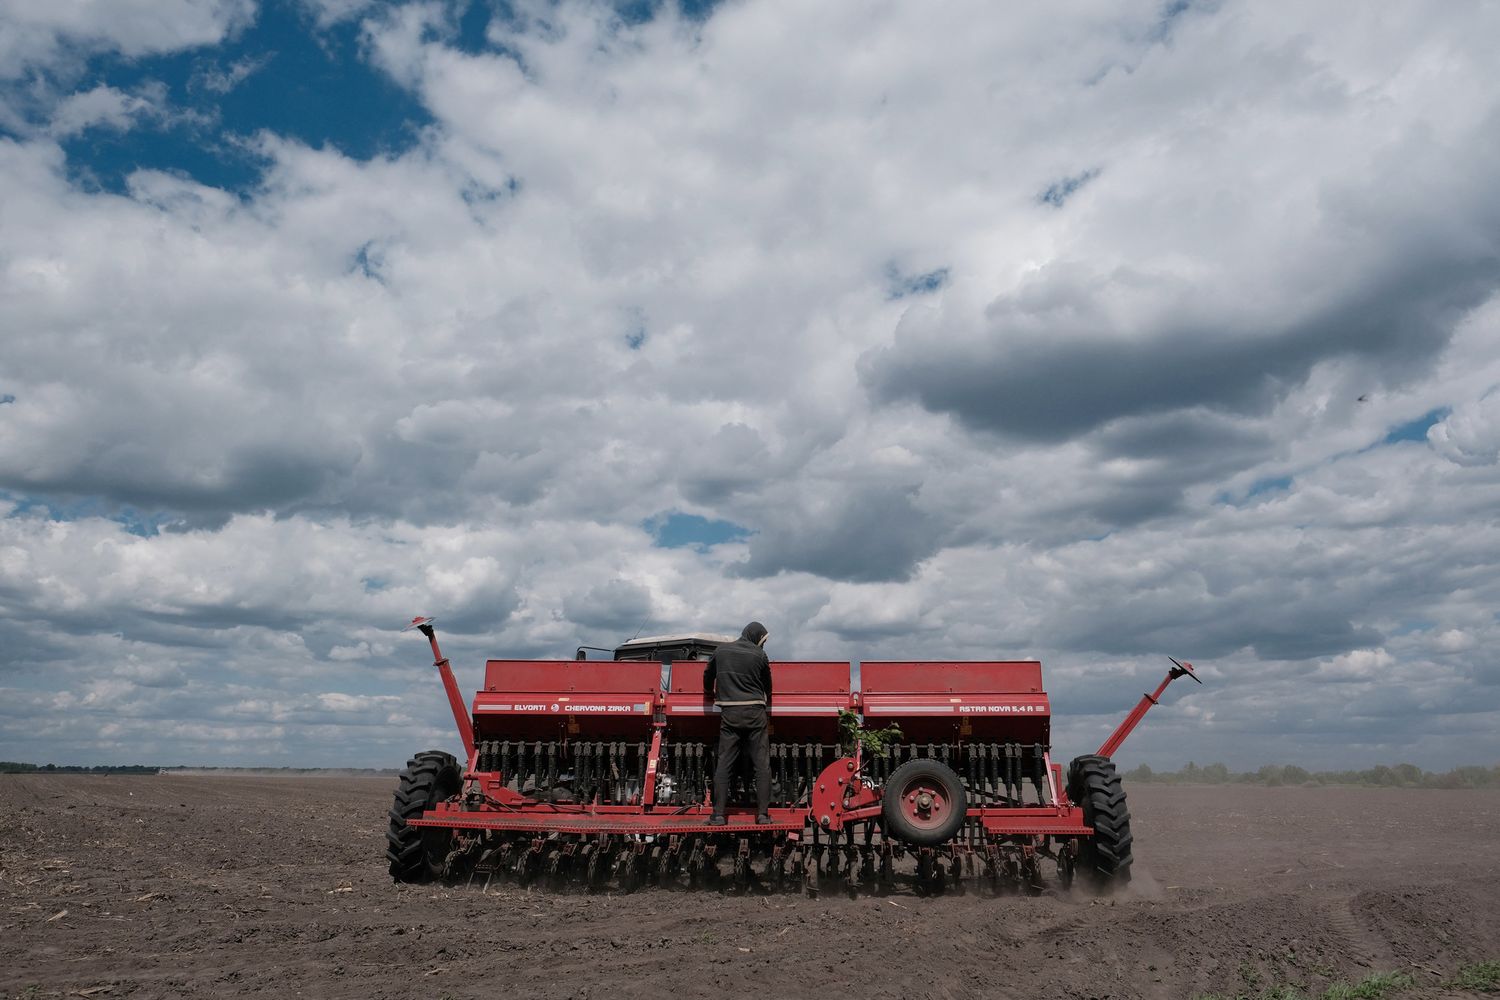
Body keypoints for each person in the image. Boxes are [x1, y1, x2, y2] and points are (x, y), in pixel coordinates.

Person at [703, 621, 773, 825]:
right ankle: (762, 815)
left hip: (730, 712)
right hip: (755, 713)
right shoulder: (760, 655)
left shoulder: (721, 650)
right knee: (762, 764)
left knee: (724, 762)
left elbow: (708, 675)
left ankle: (718, 815)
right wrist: (765, 695)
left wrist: (709, 692)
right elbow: (768, 685)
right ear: (756, 637)